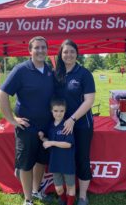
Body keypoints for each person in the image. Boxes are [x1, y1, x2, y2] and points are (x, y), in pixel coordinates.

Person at [0, 36, 54, 205]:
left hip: (46, 126)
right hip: (27, 127)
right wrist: (11, 119)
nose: (41, 50)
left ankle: (36, 191)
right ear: (30, 51)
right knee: (26, 164)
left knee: (41, 161)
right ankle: (28, 200)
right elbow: (1, 94)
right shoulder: (21, 70)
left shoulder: (49, 70)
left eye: (44, 47)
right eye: (37, 48)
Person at [54, 39, 95, 205]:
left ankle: (83, 195)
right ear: (61, 54)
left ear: (77, 53)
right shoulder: (57, 74)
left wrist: (72, 119)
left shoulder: (84, 74)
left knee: (82, 159)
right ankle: (64, 194)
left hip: (81, 125)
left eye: (72, 51)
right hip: (61, 125)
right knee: (63, 159)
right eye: (65, 52)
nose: (68, 55)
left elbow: (89, 101)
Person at [38, 98, 76, 205]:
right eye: (55, 111)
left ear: (65, 111)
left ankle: (70, 203)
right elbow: (49, 141)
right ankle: (63, 200)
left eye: (61, 111)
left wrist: (51, 143)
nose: (58, 114)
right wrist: (43, 138)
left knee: (70, 187)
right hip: (55, 163)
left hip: (67, 162)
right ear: (51, 111)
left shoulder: (67, 125)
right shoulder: (50, 125)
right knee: (59, 188)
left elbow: (68, 144)